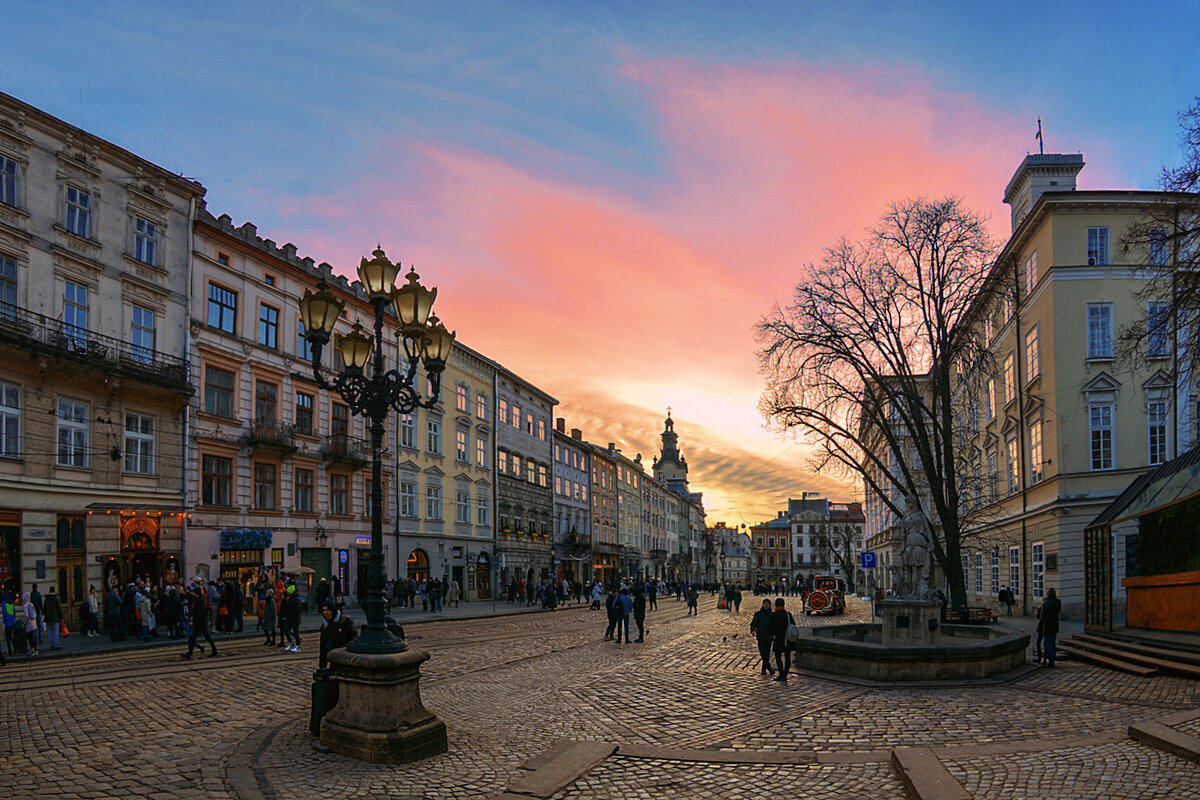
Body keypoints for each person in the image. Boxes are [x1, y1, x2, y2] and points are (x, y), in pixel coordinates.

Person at [318, 598, 357, 669]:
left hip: (346, 657)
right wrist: (322, 666)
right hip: (334, 658)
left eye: (328, 610)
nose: (326, 613)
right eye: (324, 610)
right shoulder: (325, 626)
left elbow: (354, 638)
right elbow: (323, 646)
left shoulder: (345, 621)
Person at [181, 583, 217, 659]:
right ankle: (190, 652)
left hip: (201, 622)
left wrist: (193, 620)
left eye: (193, 592)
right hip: (199, 622)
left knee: (205, 637)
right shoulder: (198, 599)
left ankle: (214, 650)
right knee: (195, 637)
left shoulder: (200, 600)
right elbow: (195, 610)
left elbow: (199, 612)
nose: (192, 593)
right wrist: (189, 615)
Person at [767, 598, 794, 682]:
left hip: (778, 638)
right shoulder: (788, 614)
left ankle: (781, 674)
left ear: (775, 605)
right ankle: (785, 674)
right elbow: (793, 625)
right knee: (787, 657)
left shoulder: (773, 615)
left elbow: (769, 627)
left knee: (778, 656)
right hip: (787, 639)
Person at [750, 598, 776, 675]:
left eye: (768, 603)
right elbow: (753, 623)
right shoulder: (758, 614)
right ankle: (769, 668)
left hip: (769, 636)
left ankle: (763, 669)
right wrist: (752, 630)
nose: (766, 605)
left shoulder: (772, 614)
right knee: (762, 653)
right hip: (761, 636)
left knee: (767, 654)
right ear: (762, 604)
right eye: (765, 603)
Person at [1041, 587, 1061, 668]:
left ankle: (1051, 662)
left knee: (1048, 644)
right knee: (1052, 643)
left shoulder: (1046, 603)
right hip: (1055, 625)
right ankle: (1050, 660)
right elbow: (1058, 612)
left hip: (1048, 626)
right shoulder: (1058, 602)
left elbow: (1043, 616)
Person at [21, 591, 38, 656]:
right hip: (33, 623)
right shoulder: (31, 604)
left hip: (28, 624)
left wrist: (24, 623)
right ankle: (32, 649)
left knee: (30, 638)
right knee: (31, 637)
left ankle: (35, 650)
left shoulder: (25, 605)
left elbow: (26, 615)